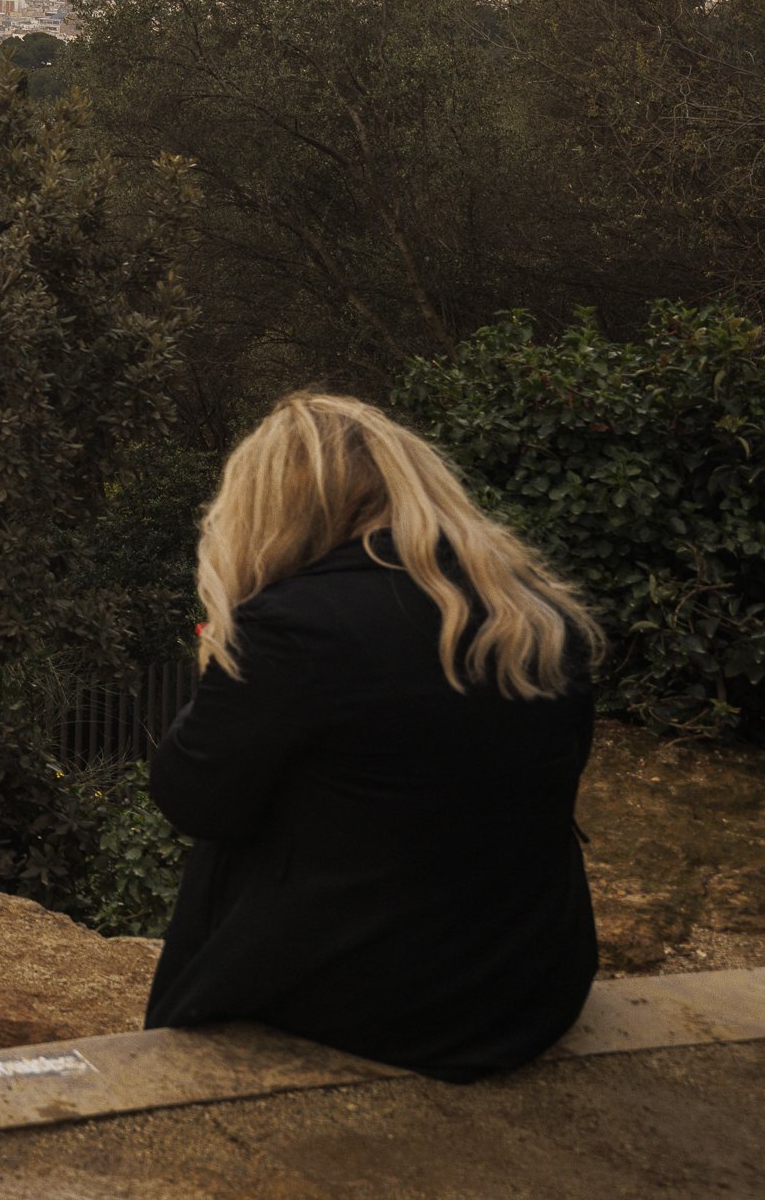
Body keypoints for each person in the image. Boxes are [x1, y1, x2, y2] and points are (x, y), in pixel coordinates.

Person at [142, 392, 603, 1080]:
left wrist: (223, 651)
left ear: (276, 507)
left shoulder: (296, 624)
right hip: (529, 988)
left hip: (387, 1009)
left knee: (233, 841)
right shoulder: (532, 609)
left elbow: (193, 797)